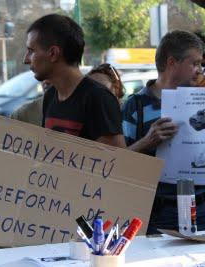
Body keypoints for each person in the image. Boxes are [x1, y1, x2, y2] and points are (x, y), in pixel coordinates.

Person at [121, 30, 204, 234]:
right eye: (194, 63)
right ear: (172, 62)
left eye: (201, 65)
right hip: (159, 211)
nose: (199, 70)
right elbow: (119, 162)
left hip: (202, 206)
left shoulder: (201, 101)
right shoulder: (136, 105)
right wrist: (147, 141)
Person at [23, 14, 125, 147]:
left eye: (31, 51)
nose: (25, 59)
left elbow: (116, 162)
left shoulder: (98, 98)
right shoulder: (50, 96)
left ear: (53, 53)